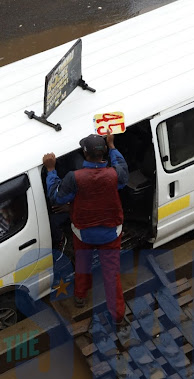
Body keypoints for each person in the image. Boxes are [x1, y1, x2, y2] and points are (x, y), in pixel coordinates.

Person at [43, 131, 129, 331]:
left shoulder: (75, 177)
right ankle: (118, 317)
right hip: (111, 233)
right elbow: (123, 169)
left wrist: (51, 170)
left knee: (82, 264)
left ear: (84, 153)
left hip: (83, 233)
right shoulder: (114, 175)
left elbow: (56, 197)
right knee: (111, 275)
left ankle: (80, 297)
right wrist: (113, 146)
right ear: (104, 153)